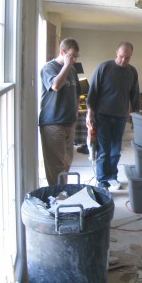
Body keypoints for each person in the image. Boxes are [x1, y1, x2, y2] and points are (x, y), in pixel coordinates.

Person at [86, 42, 140, 191]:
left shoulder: (132, 72)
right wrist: (90, 113)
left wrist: (136, 114)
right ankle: (102, 180)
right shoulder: (104, 68)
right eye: (121, 56)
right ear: (116, 52)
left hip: (120, 117)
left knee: (116, 150)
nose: (123, 60)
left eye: (127, 58)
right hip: (101, 116)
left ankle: (112, 177)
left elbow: (135, 95)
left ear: (131, 56)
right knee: (104, 150)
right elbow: (93, 93)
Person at [39, 38, 81, 185]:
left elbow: (77, 93)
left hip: (69, 122)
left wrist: (75, 110)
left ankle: (63, 192)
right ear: (62, 52)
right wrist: (67, 66)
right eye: (71, 56)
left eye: (76, 56)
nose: (74, 60)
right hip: (52, 122)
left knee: (67, 162)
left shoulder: (73, 70)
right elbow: (56, 86)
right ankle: (57, 196)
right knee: (55, 165)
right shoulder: (48, 68)